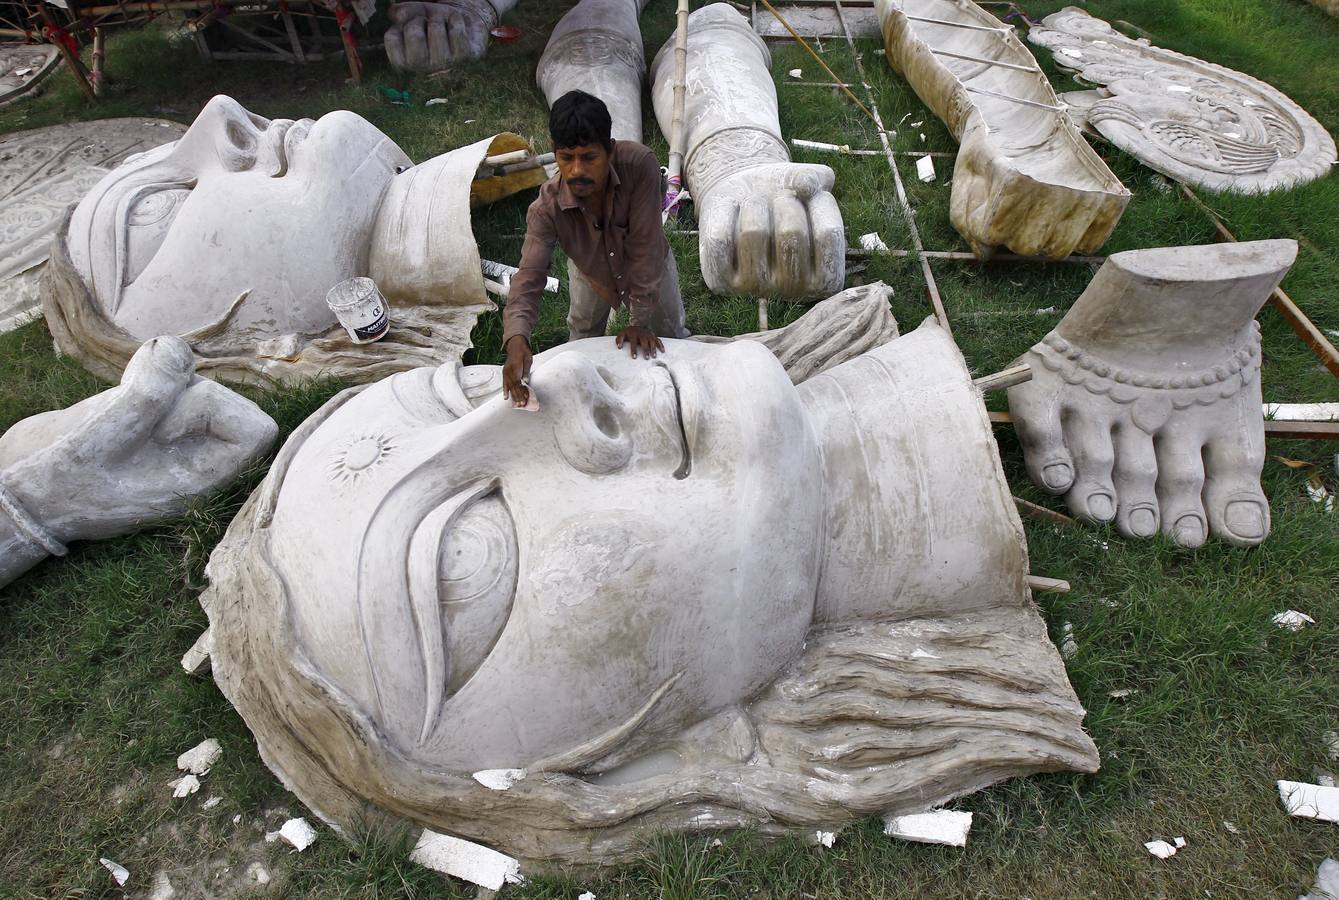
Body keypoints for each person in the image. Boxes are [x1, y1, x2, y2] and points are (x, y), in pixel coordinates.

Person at [502, 90, 687, 405]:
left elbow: (646, 245)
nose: (576, 171)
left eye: (589, 157)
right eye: (566, 158)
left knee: (671, 342)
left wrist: (640, 319)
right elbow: (529, 277)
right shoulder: (546, 209)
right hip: (590, 271)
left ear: (610, 151)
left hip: (648, 263)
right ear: (554, 153)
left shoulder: (640, 164)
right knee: (582, 340)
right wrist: (516, 340)